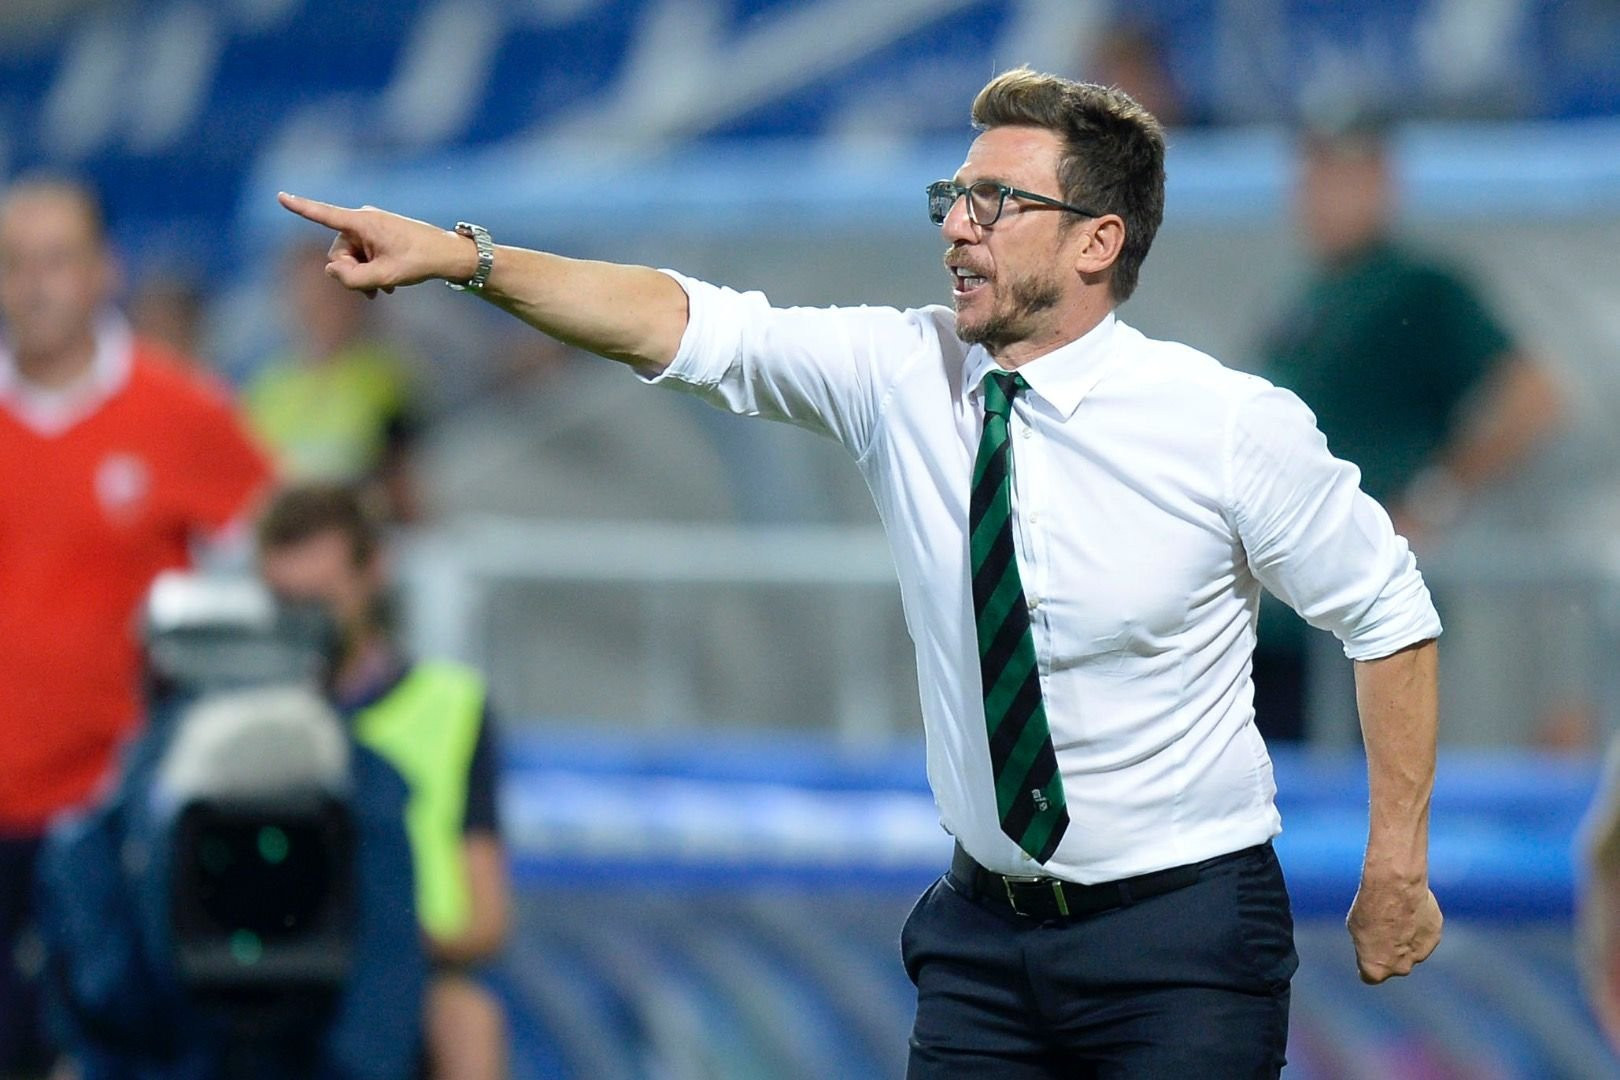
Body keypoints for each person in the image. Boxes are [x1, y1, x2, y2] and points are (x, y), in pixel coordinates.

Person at [278, 66, 1444, 1076]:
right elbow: (677, 322)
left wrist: (1396, 859)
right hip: (983, 943)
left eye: (997, 202)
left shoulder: (1226, 425)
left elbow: (1389, 614)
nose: (957, 228)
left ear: (1098, 241)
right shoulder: (901, 372)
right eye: (953, 197)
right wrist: (468, 258)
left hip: (1180, 942)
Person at [0, 177, 272, 1079]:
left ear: (103, 271)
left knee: (118, 1047)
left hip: (116, 807)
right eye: (14, 263)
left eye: (56, 260)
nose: (34, 285)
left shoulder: (182, 411)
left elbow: (282, 558)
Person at [1253, 110, 1563, 742]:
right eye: (1314, 172)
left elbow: (1533, 396)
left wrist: (1433, 498)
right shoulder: (1309, 297)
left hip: (1355, 607)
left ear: (1381, 182)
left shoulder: (1416, 288)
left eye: (1344, 174)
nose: (1323, 193)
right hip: (1284, 609)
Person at [256, 481, 510, 1080]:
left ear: (373, 573)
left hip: (408, 974)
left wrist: (368, 934)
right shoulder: (235, 716)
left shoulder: (453, 706)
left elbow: (486, 920)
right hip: (261, 982)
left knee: (466, 1021)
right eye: (285, 603)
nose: (304, 624)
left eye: (321, 599)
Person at [246, 241, 426, 523]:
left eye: (329, 295)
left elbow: (402, 479)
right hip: (288, 526)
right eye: (307, 295)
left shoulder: (386, 379)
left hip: (357, 524)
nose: (318, 308)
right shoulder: (268, 385)